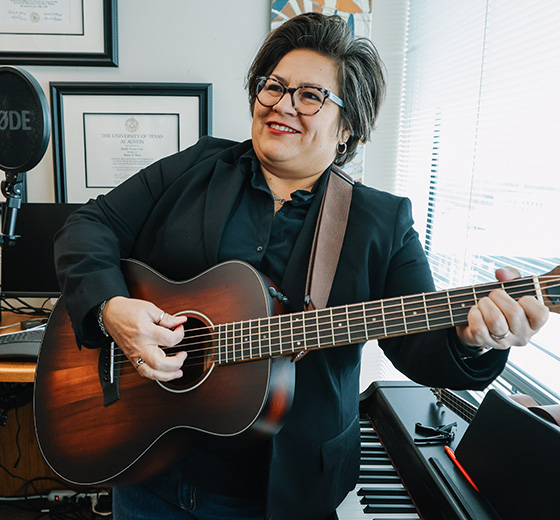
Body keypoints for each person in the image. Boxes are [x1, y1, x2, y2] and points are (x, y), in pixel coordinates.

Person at [54, 12, 549, 520]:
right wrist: (110, 308)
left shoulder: (380, 221)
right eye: (274, 87)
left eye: (310, 96)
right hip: (147, 466)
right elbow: (88, 227)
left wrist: (474, 338)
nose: (282, 105)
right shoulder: (198, 166)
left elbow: (420, 349)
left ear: (347, 126)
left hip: (278, 496)